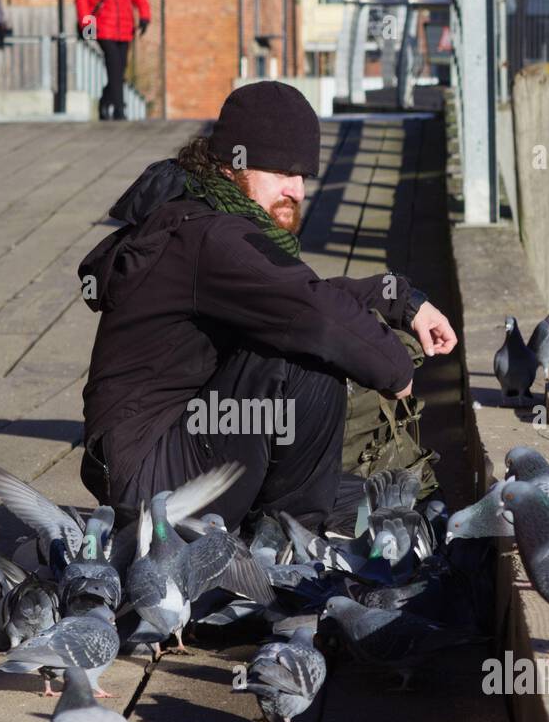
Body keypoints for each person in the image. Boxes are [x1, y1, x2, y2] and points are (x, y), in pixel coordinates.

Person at [78, 81, 458, 529]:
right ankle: (285, 542)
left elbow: (300, 294)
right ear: (232, 164)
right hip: (151, 478)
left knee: (376, 498)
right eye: (282, 172)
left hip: (161, 454)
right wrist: (395, 370)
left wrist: (401, 302)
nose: (297, 190)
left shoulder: (204, 215)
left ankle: (285, 525)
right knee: (310, 353)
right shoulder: (212, 238)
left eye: (303, 177)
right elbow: (313, 313)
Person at [74, 0, 151, 121]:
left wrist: (144, 15)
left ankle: (105, 100)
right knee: (113, 65)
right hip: (102, 27)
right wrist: (87, 27)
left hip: (125, 26)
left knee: (120, 68)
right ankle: (119, 110)